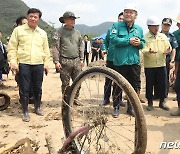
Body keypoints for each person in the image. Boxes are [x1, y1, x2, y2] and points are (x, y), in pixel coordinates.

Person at [8, 8, 50, 122]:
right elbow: (12, 47)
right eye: (31, 16)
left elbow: (46, 50)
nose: (33, 18)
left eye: (35, 17)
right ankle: (25, 111)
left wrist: (46, 63)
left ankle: (37, 107)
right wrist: (13, 61)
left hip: (38, 64)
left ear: (39, 19)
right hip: (24, 63)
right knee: (24, 88)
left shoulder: (42, 33)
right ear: (27, 17)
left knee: (38, 87)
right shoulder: (18, 30)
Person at [110, 4, 145, 118]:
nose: (128, 14)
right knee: (117, 85)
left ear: (136, 15)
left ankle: (131, 108)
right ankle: (116, 107)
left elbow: (143, 43)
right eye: (126, 12)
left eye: (131, 12)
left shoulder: (139, 29)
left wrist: (140, 43)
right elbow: (113, 40)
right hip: (120, 62)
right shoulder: (117, 26)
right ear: (124, 14)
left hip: (134, 62)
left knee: (133, 87)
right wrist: (128, 41)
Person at [52, 11, 84, 103]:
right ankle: (66, 101)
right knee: (65, 83)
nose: (73, 21)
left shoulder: (77, 33)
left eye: (74, 19)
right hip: (64, 61)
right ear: (65, 20)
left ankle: (75, 99)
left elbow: (81, 46)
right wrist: (56, 61)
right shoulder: (59, 32)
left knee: (78, 82)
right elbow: (55, 47)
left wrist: (82, 59)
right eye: (71, 19)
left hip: (76, 60)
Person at [142, 16, 171, 111]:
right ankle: (150, 102)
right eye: (154, 26)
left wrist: (168, 50)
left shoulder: (163, 36)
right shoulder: (145, 37)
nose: (156, 28)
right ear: (148, 27)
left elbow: (169, 47)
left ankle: (162, 102)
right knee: (150, 84)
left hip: (161, 64)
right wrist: (148, 51)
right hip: (149, 65)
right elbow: (142, 49)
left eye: (157, 26)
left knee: (162, 84)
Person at [101, 12, 125, 108]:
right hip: (111, 58)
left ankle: (119, 100)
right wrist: (104, 49)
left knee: (119, 81)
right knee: (108, 80)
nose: (121, 20)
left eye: (123, 19)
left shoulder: (125, 31)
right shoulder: (111, 30)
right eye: (120, 18)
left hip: (121, 60)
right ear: (117, 19)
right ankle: (106, 99)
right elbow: (105, 42)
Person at [153, 18, 178, 99]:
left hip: (166, 59)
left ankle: (164, 95)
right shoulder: (156, 34)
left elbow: (174, 49)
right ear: (161, 25)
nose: (165, 27)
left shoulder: (171, 36)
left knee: (164, 78)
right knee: (156, 77)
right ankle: (156, 95)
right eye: (164, 24)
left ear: (170, 26)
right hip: (156, 59)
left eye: (168, 25)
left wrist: (172, 60)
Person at [171, 14, 180, 116]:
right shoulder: (175, 35)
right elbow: (175, 51)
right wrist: (175, 69)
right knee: (177, 87)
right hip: (178, 63)